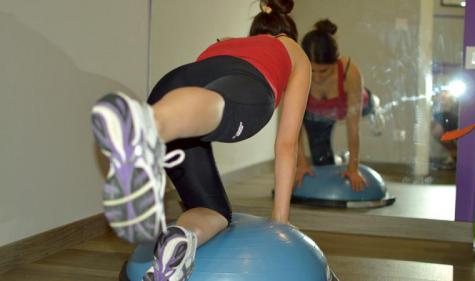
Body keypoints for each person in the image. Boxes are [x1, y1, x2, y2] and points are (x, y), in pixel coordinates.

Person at [90, 0, 311, 280]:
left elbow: (201, 95)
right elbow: (286, 144)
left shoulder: (225, 43)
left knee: (213, 209)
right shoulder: (293, 50)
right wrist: (281, 222)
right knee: (209, 107)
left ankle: (181, 241)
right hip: (239, 88)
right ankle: (150, 126)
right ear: (289, 33)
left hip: (172, 87)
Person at [295, 19, 368, 192]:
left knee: (369, 104)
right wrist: (301, 164)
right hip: (317, 114)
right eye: (312, 70)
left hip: (351, 105)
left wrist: (353, 168)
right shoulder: (297, 73)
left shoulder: (350, 73)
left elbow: (353, 128)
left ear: (336, 62)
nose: (317, 77)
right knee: (322, 164)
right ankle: (339, 158)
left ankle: (376, 105)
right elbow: (292, 126)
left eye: (324, 71)